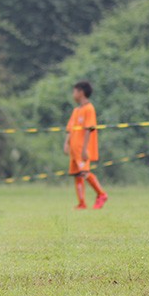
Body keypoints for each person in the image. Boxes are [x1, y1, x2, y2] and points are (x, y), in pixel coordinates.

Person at [64, 80, 108, 210]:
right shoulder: (76, 110)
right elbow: (70, 129)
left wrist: (85, 149)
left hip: (82, 148)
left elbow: (89, 129)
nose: (73, 94)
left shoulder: (89, 109)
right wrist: (66, 143)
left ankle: (102, 194)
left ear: (81, 92)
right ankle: (82, 203)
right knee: (77, 175)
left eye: (74, 91)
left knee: (85, 173)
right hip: (74, 148)